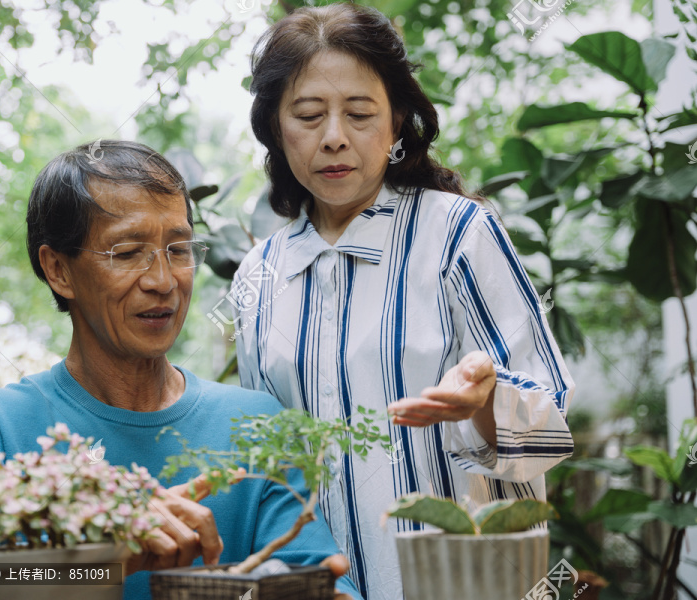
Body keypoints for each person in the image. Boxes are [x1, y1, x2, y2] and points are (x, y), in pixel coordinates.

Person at [0, 140, 361, 600]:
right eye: (127, 254)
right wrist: (91, 558)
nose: (163, 281)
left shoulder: (253, 424)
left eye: (179, 249)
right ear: (59, 270)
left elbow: (315, 572)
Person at [232, 5, 575, 600]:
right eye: (308, 115)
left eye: (360, 114)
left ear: (396, 124)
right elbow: (269, 467)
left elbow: (551, 424)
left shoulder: (459, 234)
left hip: (468, 587)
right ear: (274, 128)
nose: (334, 135)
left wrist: (485, 403)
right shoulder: (260, 274)